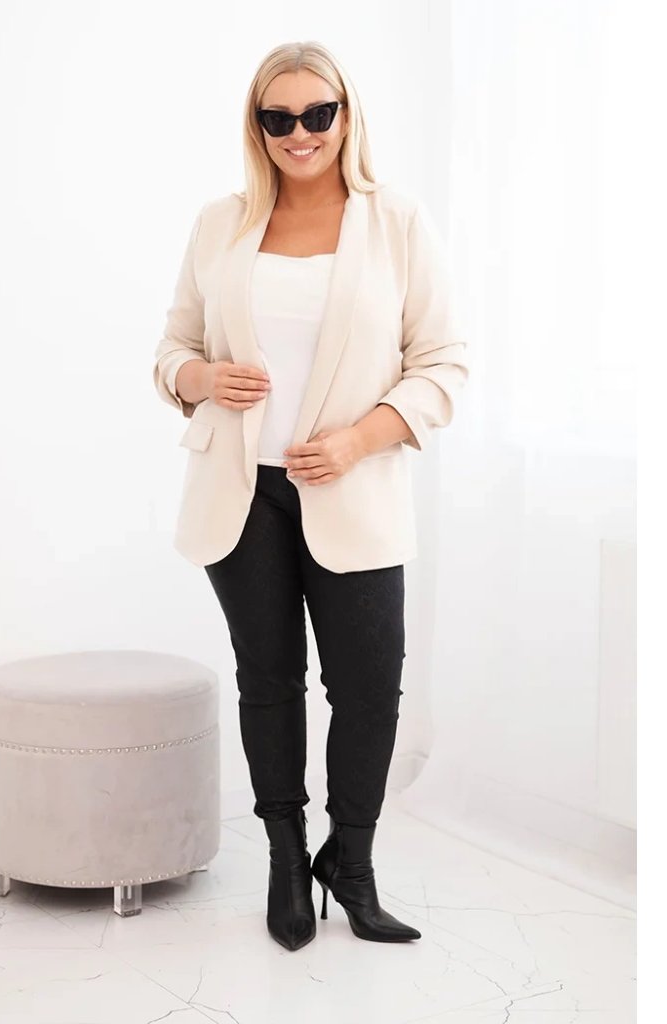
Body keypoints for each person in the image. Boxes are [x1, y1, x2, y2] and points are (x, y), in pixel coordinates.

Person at [152, 41, 468, 951]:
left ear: (346, 114)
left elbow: (444, 363)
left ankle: (351, 864)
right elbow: (171, 351)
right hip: (239, 492)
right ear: (257, 126)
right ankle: (288, 862)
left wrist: (358, 439)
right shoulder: (221, 224)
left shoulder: (397, 223)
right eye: (278, 118)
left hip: (354, 491)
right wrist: (202, 377)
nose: (300, 133)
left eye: (317, 114)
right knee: (269, 682)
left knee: (368, 689)